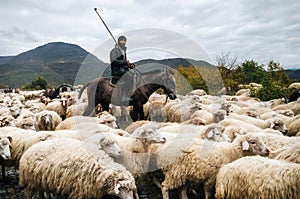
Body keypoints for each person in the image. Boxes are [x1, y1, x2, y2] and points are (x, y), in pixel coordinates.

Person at [110, 35, 135, 102]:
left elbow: (124, 63)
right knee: (129, 77)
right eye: (122, 40)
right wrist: (124, 61)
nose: (123, 42)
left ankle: (131, 92)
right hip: (117, 70)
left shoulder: (123, 51)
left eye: (124, 40)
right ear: (119, 41)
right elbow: (114, 61)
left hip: (123, 69)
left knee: (135, 74)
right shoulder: (114, 50)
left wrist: (130, 65)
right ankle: (125, 96)